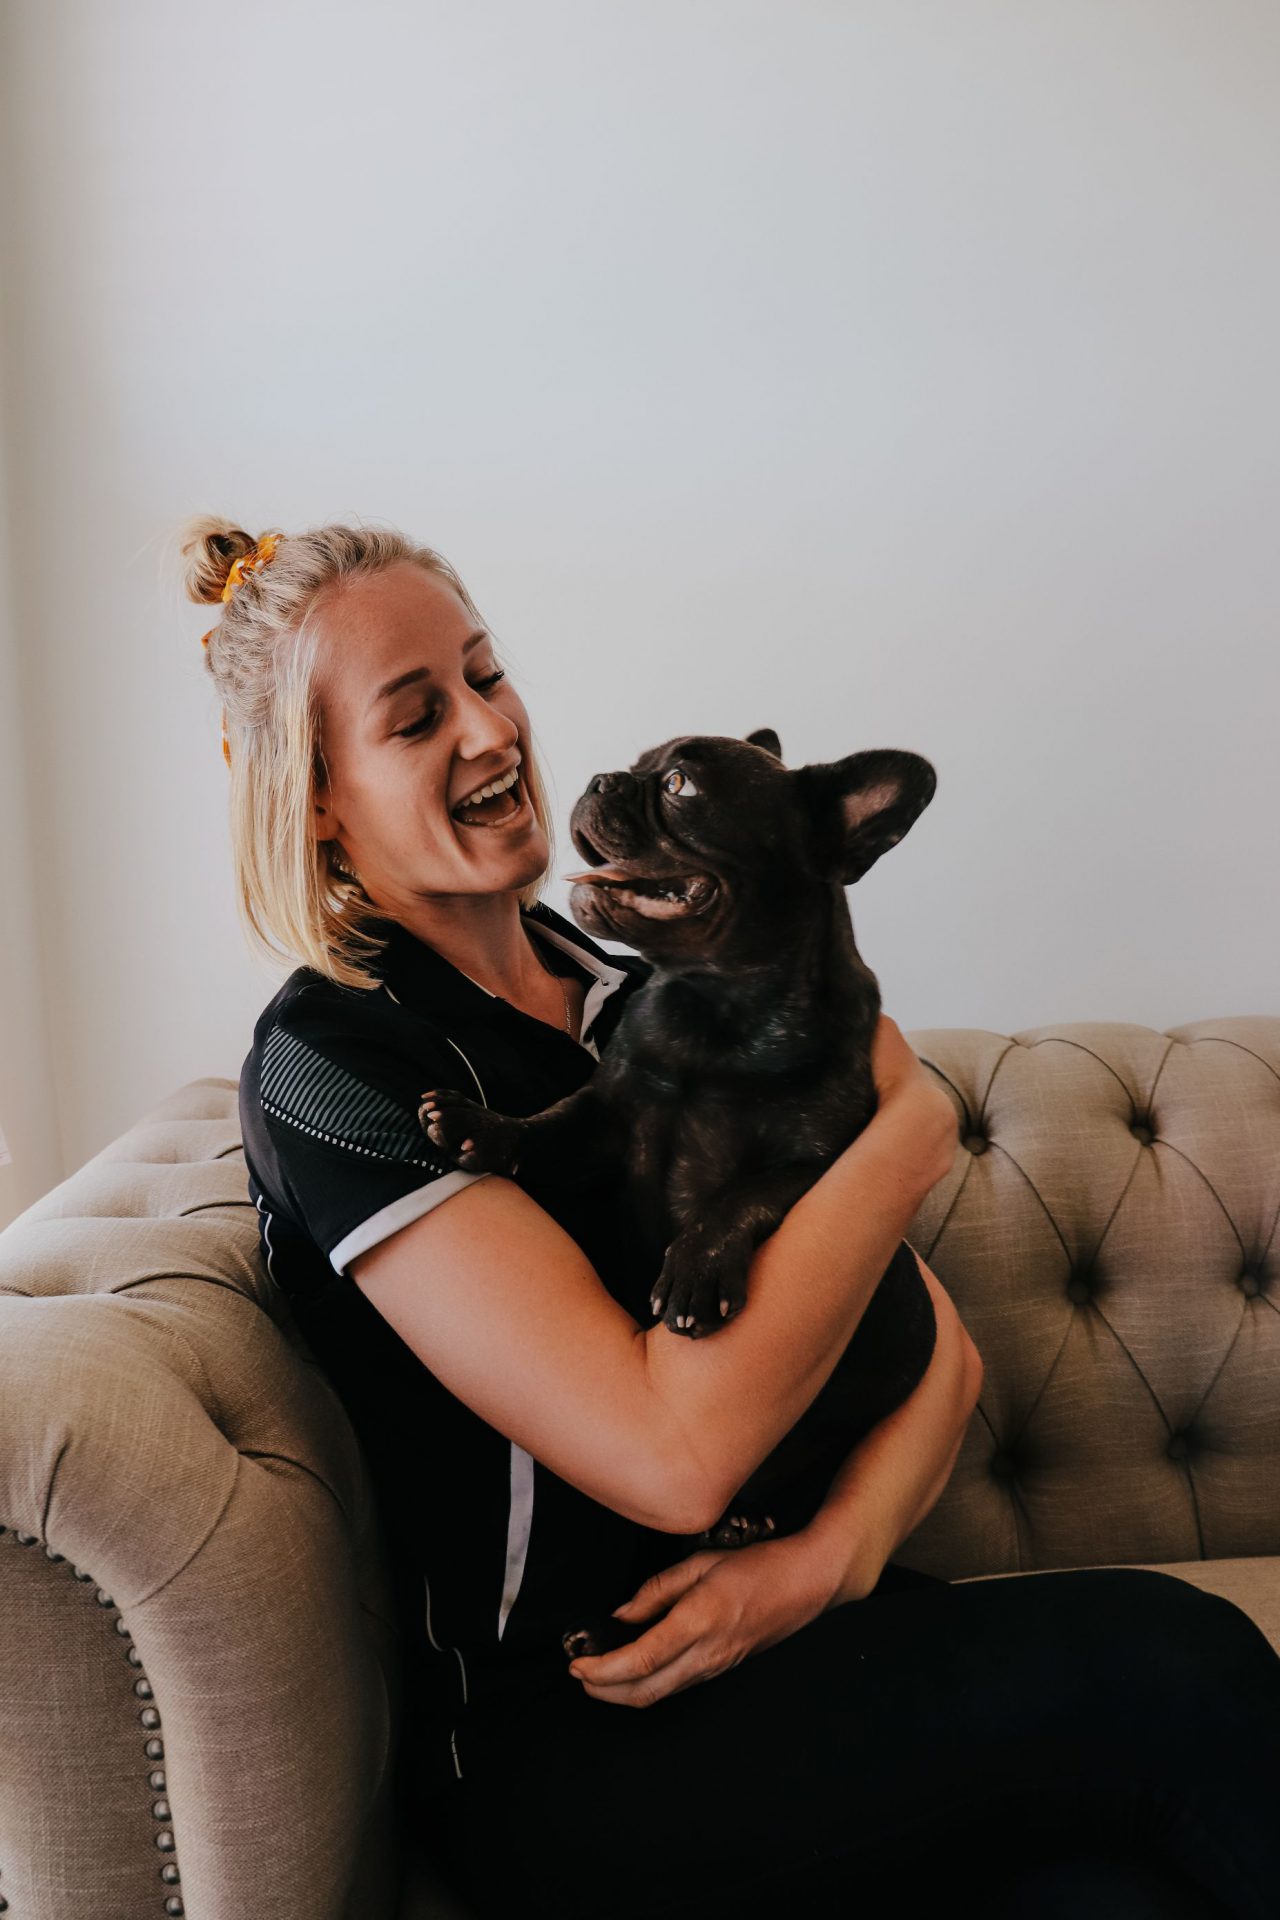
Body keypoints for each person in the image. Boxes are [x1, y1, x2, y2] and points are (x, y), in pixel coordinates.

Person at [184, 514, 1280, 1920]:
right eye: (414, 716)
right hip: (578, 1740)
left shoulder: (643, 984)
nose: (487, 729)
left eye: (486, 673)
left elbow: (942, 1360)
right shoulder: (338, 1065)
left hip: (806, 1644)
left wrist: (824, 1567)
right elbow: (673, 1454)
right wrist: (914, 1129)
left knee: (1121, 1898)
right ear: (316, 795)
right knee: (1175, 1662)